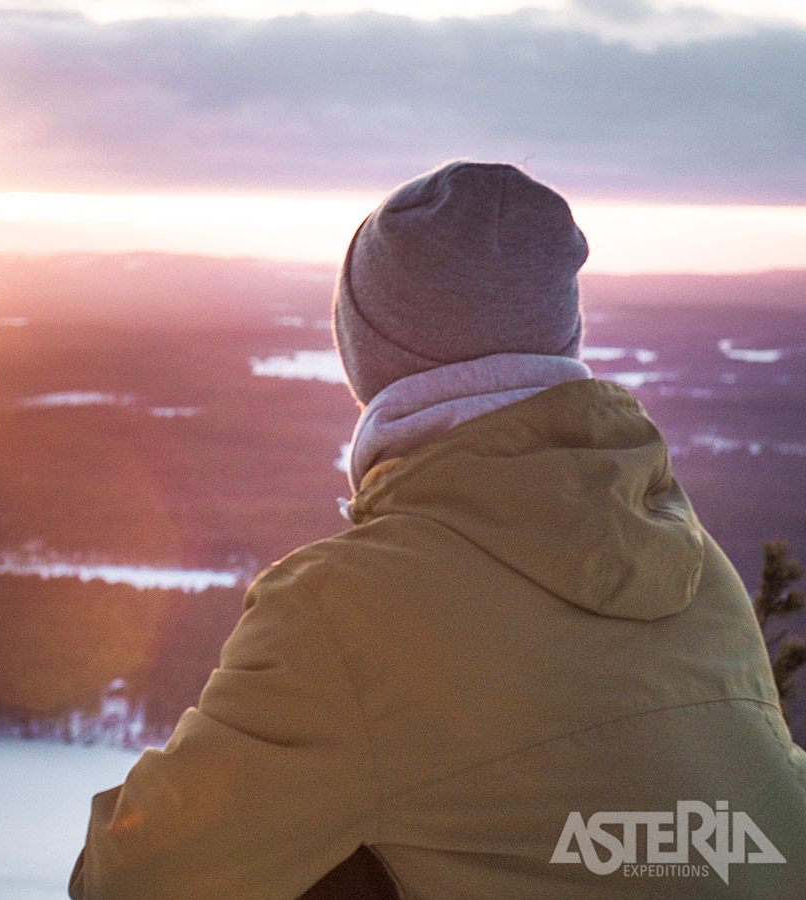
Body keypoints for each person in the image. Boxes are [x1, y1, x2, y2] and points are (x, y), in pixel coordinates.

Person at [68, 160, 806, 899]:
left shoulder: (340, 611)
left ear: (369, 357)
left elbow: (131, 879)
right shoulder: (694, 563)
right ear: (561, 340)